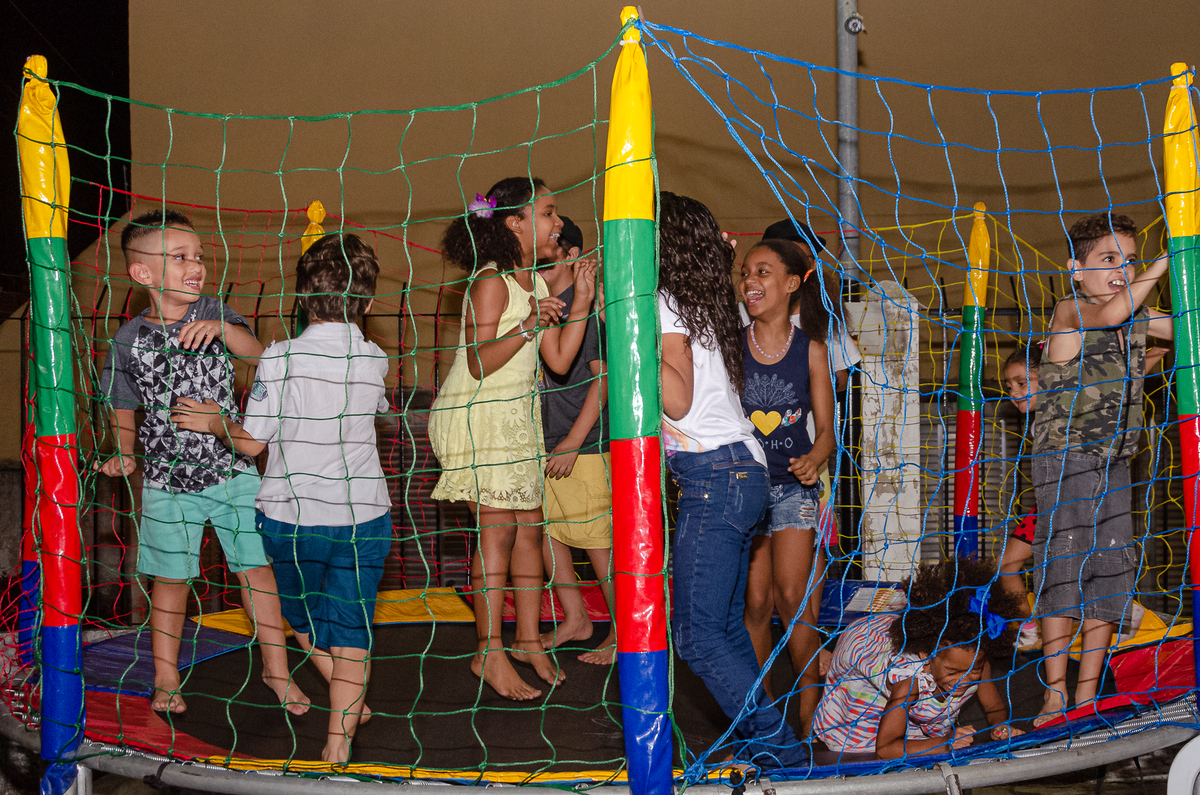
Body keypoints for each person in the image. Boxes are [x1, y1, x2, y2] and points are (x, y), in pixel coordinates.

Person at [174, 233, 391, 763]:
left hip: (293, 519)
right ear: (364, 302)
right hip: (364, 516)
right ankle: (339, 737)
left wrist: (211, 419)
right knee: (351, 626)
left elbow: (251, 443)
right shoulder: (375, 358)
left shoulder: (281, 357)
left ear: (301, 297)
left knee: (296, 614)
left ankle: (343, 702)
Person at [96, 209, 306, 717]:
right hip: (168, 478)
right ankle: (166, 674)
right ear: (142, 274)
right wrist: (125, 451)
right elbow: (123, 400)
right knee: (170, 579)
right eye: (179, 257)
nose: (196, 265)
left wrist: (222, 328)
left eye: (198, 256)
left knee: (257, 570)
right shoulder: (128, 339)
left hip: (232, 466)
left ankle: (276, 671)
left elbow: (262, 359)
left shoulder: (216, 312)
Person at [427, 178, 596, 700]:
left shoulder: (538, 285)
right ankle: (489, 651)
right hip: (477, 413)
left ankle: (527, 639)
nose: (558, 222)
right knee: (497, 531)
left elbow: (561, 360)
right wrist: (525, 325)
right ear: (514, 223)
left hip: (517, 417)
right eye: (548, 213)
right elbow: (477, 362)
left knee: (530, 529)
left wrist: (583, 299)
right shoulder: (492, 281)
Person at [658, 191, 806, 769]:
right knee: (723, 626)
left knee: (695, 636)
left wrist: (630, 334)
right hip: (741, 470)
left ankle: (782, 754)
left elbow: (676, 396)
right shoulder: (703, 301)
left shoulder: (665, 301)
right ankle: (765, 745)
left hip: (714, 472)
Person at [1031, 212, 1173, 726]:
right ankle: (1054, 694)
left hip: (1116, 461)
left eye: (1129, 260)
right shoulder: (1071, 310)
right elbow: (1111, 316)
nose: (1122, 268)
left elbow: (1183, 327)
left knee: (1110, 572)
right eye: (1109, 259)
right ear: (1076, 269)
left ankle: (1088, 694)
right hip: (1065, 460)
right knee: (1065, 567)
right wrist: (1165, 259)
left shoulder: (1136, 313)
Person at [738, 238, 835, 736]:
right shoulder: (731, 346)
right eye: (745, 272)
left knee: (792, 597)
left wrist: (814, 461)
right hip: (746, 488)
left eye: (764, 271)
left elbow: (827, 434)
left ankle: (811, 705)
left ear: (793, 284)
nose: (750, 280)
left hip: (793, 489)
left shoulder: (811, 349)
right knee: (755, 604)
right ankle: (763, 709)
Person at [812, 558, 1025, 758]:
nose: (963, 680)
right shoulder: (908, 679)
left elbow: (994, 708)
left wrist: (1001, 727)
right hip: (864, 642)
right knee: (867, 732)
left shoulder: (973, 661)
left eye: (973, 671)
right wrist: (944, 743)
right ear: (927, 655)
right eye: (953, 672)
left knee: (914, 730)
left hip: (916, 673)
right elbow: (885, 749)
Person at [535, 216, 616, 665]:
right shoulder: (543, 307)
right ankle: (575, 618)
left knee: (596, 541)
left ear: (572, 258)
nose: (539, 268)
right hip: (546, 440)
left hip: (582, 445)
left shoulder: (584, 309)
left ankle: (625, 632)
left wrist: (573, 441)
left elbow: (601, 383)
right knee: (550, 535)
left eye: (548, 260)